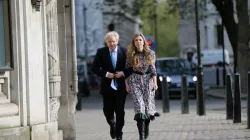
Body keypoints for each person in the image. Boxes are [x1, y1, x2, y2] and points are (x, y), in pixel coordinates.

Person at [91, 31, 128, 140]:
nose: (112, 44)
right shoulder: (101, 52)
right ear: (106, 42)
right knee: (107, 110)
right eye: (109, 42)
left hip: (121, 86)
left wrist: (123, 73)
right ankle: (112, 124)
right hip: (107, 86)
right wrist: (107, 74)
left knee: (120, 110)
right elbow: (94, 68)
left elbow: (130, 68)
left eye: (113, 41)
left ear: (117, 41)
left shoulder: (124, 52)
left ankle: (119, 134)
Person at [125, 33, 160, 140]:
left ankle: (147, 126)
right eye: (136, 40)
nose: (138, 42)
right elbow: (127, 71)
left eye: (140, 40)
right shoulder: (130, 54)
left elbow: (153, 70)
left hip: (147, 80)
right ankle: (142, 136)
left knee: (147, 108)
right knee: (139, 108)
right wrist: (126, 85)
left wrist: (155, 83)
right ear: (134, 43)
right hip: (135, 80)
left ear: (143, 41)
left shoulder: (150, 53)